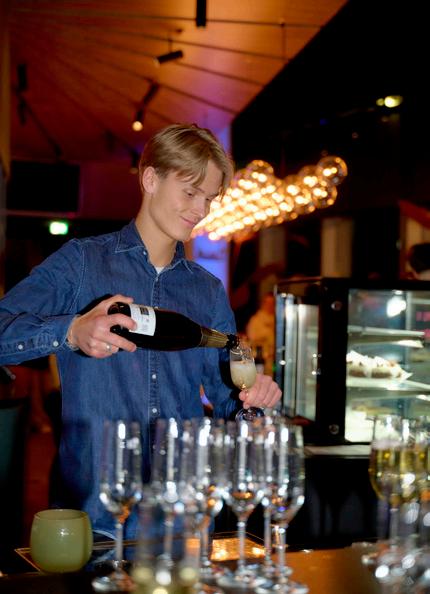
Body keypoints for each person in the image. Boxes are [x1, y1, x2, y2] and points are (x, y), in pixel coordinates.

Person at [0, 123, 281, 540]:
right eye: (191, 192)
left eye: (209, 198)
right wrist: (71, 332)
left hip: (181, 517)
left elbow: (228, 400)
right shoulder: (81, 262)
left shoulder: (207, 290)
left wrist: (253, 403)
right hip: (93, 515)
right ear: (150, 179)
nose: (201, 210)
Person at [246, 292, 275, 375]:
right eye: (268, 303)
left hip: (273, 361)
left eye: (272, 303)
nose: (270, 305)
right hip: (259, 360)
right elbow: (251, 338)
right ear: (263, 303)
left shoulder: (277, 320)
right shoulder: (255, 320)